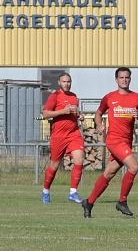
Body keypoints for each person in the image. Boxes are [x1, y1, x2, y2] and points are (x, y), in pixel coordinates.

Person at [82, 67, 138, 218]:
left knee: (109, 172)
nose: (124, 80)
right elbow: (99, 113)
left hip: (126, 142)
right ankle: (122, 201)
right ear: (116, 80)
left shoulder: (136, 98)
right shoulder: (109, 97)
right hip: (114, 140)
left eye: (127, 77)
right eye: (121, 78)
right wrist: (99, 124)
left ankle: (89, 202)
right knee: (134, 167)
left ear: (130, 79)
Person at [40, 73, 85, 204]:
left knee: (79, 159)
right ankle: (46, 191)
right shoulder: (55, 96)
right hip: (59, 135)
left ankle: (73, 192)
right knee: (54, 165)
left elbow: (75, 113)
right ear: (59, 83)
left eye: (69, 81)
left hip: (74, 133)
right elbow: (45, 114)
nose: (67, 84)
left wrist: (79, 116)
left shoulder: (74, 97)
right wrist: (62, 112)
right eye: (64, 81)